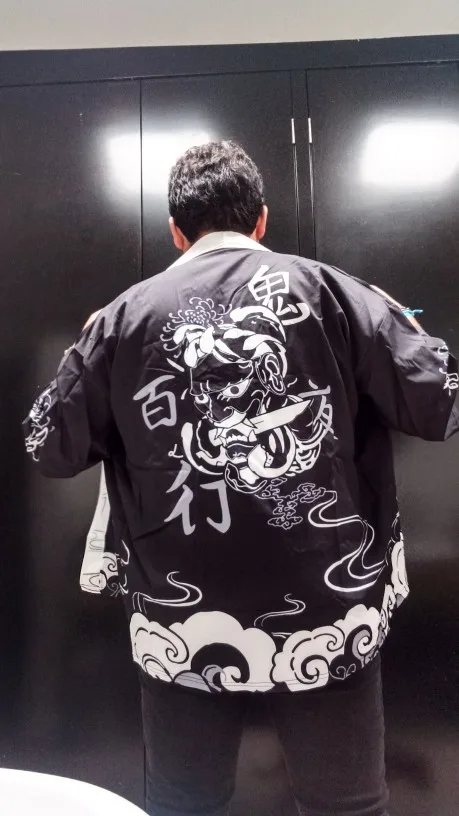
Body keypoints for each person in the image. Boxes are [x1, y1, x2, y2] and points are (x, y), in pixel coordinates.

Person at [24, 140, 459, 816]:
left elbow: (48, 445)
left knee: (184, 804)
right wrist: (398, 318)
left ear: (177, 231)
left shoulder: (120, 318)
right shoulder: (335, 293)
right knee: (345, 807)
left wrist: (82, 351)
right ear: (260, 220)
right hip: (326, 612)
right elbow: (439, 400)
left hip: (182, 621)